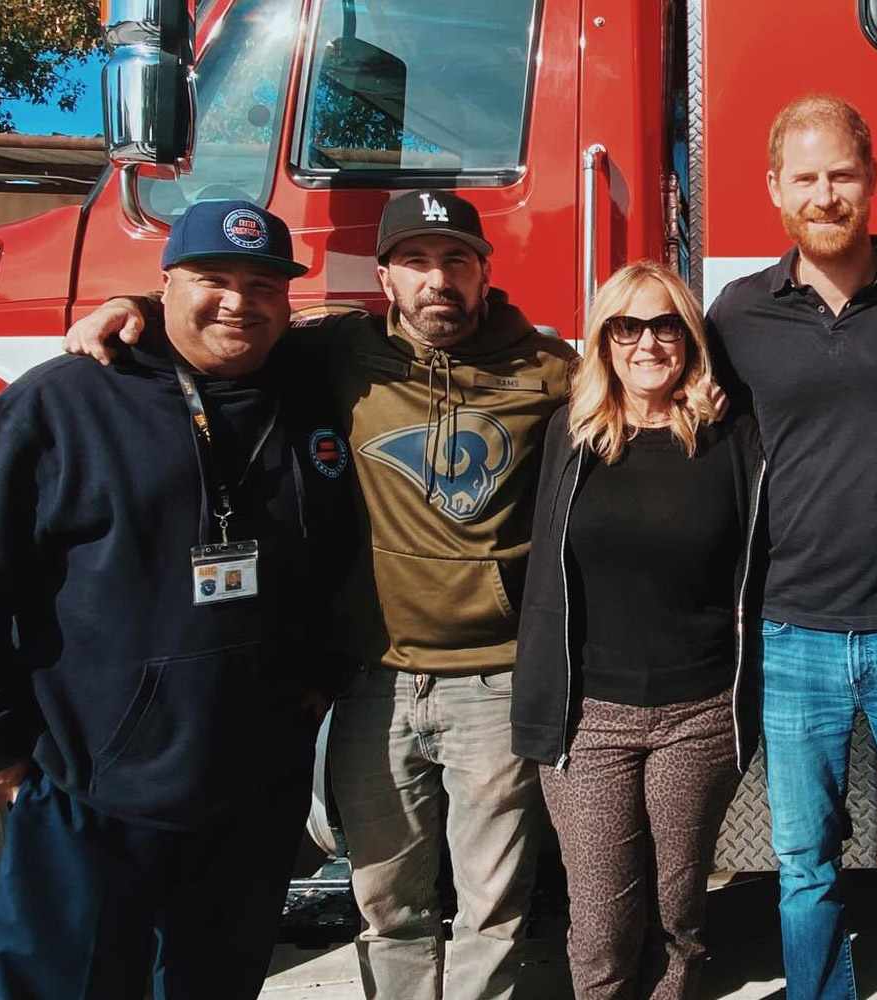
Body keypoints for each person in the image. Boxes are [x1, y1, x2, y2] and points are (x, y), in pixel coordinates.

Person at [63, 189, 576, 999]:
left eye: (455, 262)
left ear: (485, 274)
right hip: (373, 679)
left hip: (497, 679)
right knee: (388, 904)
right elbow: (227, 330)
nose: (436, 281)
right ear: (384, 277)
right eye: (415, 262)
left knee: (495, 908)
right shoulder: (339, 349)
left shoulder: (549, 371)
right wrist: (127, 309)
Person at [0, 201, 355, 998]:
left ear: (288, 300)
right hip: (93, 785)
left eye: (262, 283)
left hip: (252, 790)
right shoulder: (62, 404)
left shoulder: (314, 392)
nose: (238, 300)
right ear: (164, 286)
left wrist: (316, 684)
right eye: (211, 279)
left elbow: (343, 563)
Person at [705, 93, 877, 999]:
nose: (825, 194)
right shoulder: (738, 314)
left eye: (842, 176)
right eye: (806, 178)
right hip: (792, 636)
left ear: (872, 180)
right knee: (803, 871)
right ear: (775, 190)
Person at [511, 260, 765, 999]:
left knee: (679, 911)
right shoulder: (572, 433)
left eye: (665, 326)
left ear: (690, 338)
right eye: (628, 326)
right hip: (588, 717)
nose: (647, 343)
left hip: (700, 713)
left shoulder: (731, 434)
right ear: (604, 339)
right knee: (601, 923)